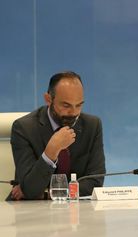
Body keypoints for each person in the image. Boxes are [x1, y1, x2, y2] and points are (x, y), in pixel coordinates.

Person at [8, 71, 106, 200]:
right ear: (48, 99)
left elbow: (95, 182)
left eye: (79, 105)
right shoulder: (23, 128)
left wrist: (48, 194)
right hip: (30, 211)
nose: (74, 113)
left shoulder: (92, 126)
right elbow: (30, 189)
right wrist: (50, 153)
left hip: (76, 211)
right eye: (66, 105)